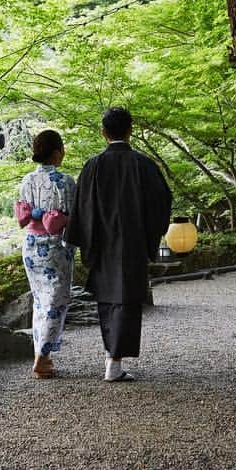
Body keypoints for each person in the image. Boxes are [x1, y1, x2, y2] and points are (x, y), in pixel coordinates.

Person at [65, 107, 172, 382]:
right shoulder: (144, 164)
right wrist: (150, 234)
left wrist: (85, 240)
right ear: (130, 130)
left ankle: (112, 358)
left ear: (104, 133)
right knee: (128, 300)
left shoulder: (93, 166)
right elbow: (162, 202)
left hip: (102, 243)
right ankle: (114, 361)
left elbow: (82, 207)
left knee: (108, 300)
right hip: (134, 241)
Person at [15, 129, 76, 379]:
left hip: (30, 245)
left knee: (40, 301)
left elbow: (23, 212)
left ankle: (44, 356)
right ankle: (41, 357)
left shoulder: (26, 180)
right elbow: (74, 216)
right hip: (54, 245)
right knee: (55, 302)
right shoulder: (65, 181)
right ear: (56, 153)